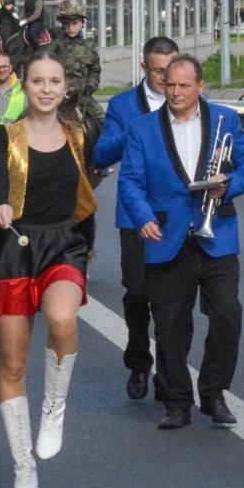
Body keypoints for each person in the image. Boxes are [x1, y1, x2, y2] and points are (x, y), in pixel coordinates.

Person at [0, 54, 97, 488]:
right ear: (26, 86)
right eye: (37, 80)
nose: (46, 88)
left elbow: (87, 195)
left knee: (62, 319)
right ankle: (24, 466)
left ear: (64, 88)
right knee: (13, 365)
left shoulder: (79, 135)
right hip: (16, 245)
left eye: (54, 81)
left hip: (64, 245)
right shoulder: (3, 135)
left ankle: (54, 407)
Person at [118, 55, 244, 429]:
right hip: (167, 236)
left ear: (201, 87)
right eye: (170, 85)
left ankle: (213, 393)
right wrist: (144, 217)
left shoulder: (227, 122)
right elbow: (130, 182)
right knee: (169, 325)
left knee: (228, 315)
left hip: (218, 236)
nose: (177, 92)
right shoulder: (141, 129)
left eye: (185, 85)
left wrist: (229, 186)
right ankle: (177, 400)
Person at [92, 36, 178, 400]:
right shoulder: (124, 105)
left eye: (170, 70)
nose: (165, 79)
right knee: (138, 293)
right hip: (135, 217)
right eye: (158, 71)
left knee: (171, 300)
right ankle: (140, 362)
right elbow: (101, 154)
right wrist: (134, 129)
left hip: (176, 215)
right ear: (144, 68)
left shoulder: (186, 97)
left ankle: (171, 373)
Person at [47, 0, 105, 130]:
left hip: (82, 97)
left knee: (104, 121)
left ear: (82, 23)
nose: (70, 27)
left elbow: (95, 71)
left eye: (74, 22)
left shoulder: (89, 46)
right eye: (66, 23)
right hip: (57, 96)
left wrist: (91, 86)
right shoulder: (54, 46)